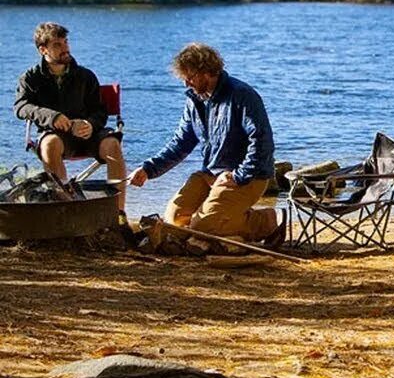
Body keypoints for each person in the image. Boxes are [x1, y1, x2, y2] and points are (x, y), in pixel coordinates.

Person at [128, 43, 284, 246]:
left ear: (207, 72)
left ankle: (268, 221)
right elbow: (180, 144)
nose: (186, 83)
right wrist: (148, 169)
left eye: (190, 77)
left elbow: (262, 142)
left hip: (248, 177)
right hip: (210, 173)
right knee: (174, 221)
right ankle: (226, 217)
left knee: (203, 227)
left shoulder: (242, 95)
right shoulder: (194, 100)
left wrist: (238, 176)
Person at [14, 22, 127, 210]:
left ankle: (118, 212)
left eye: (66, 42)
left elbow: (100, 111)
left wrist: (90, 124)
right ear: (43, 50)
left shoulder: (85, 76)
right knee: (50, 145)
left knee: (113, 144)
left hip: (88, 134)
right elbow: (21, 106)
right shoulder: (30, 78)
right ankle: (66, 209)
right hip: (56, 134)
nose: (65, 48)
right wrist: (52, 117)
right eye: (57, 45)